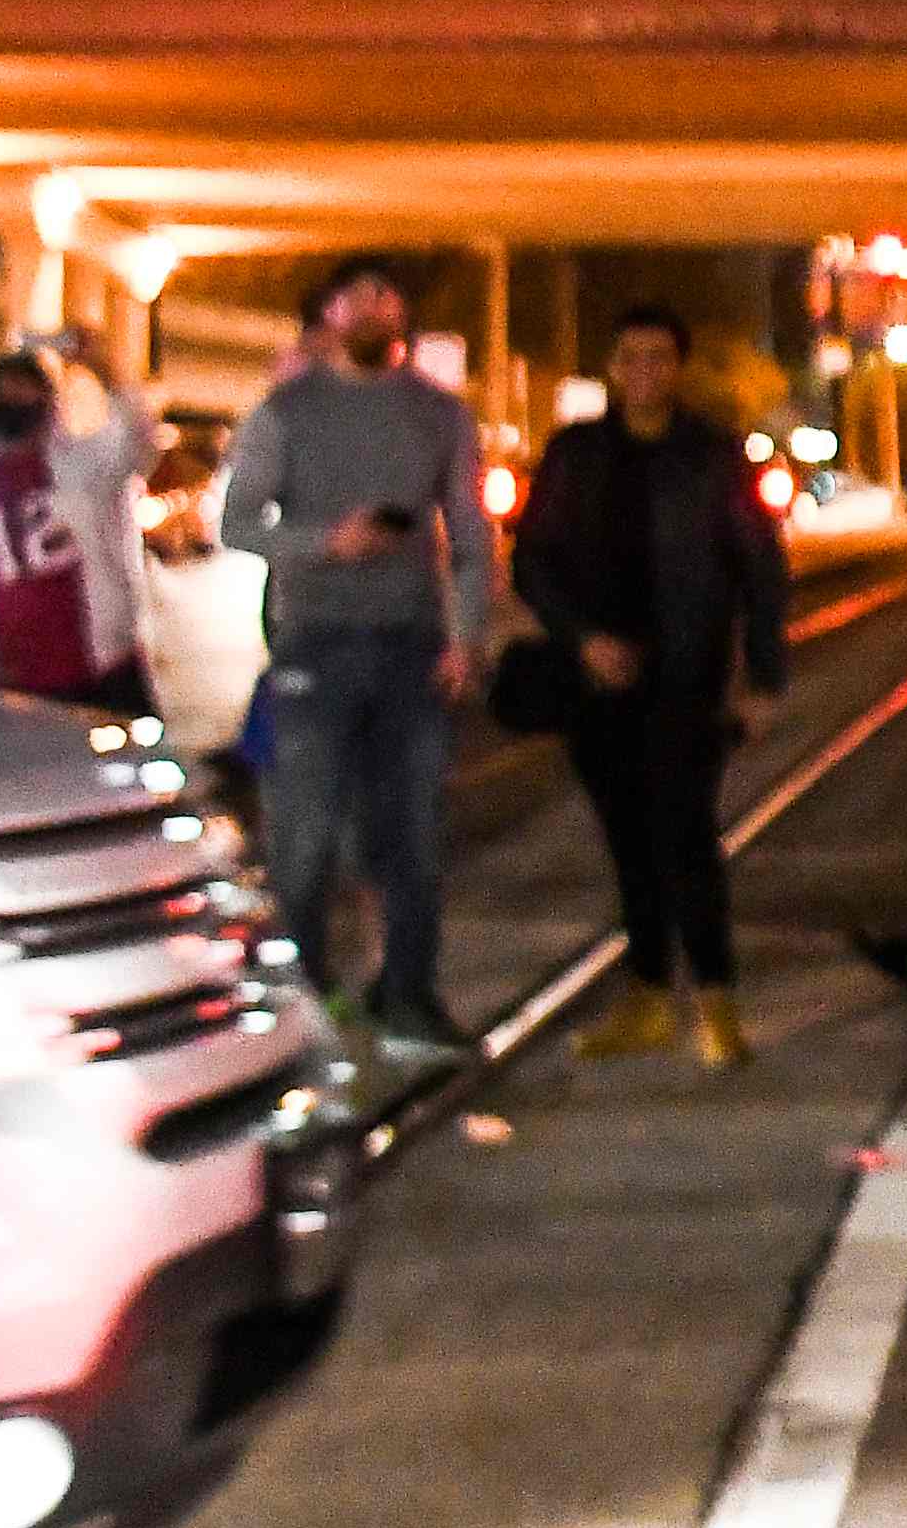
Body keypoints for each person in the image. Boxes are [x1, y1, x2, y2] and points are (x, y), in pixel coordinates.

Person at [214, 260, 497, 1051]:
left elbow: (471, 534)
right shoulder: (286, 414)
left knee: (411, 832)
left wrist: (469, 634)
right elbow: (236, 524)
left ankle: (407, 992)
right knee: (301, 836)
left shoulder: (439, 416)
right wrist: (325, 544)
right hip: (315, 644)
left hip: (412, 645)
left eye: (392, 295)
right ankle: (302, 997)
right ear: (329, 313)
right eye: (364, 295)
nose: (383, 308)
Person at [521, 310, 796, 1069]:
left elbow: (760, 568)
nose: (646, 370)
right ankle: (646, 994)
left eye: (661, 357)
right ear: (612, 368)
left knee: (686, 836)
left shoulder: (712, 456)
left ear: (679, 368)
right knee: (627, 842)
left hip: (688, 676)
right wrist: (583, 638)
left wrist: (765, 675)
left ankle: (715, 1001)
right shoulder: (575, 453)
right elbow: (535, 562)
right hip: (598, 683)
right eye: (632, 357)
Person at [0, 347, 150, 717]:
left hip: (104, 667)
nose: (15, 401)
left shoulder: (82, 467)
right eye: (5, 393)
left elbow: (134, 439)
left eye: (24, 390)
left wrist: (101, 363)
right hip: (23, 685)